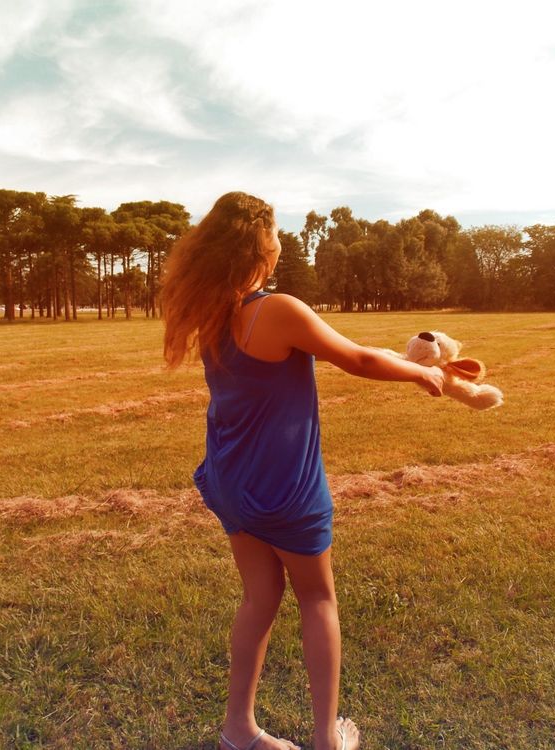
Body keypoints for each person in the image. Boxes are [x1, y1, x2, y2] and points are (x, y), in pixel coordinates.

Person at [162, 192, 444, 750]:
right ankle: (326, 740)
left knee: (258, 598)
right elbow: (358, 358)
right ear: (263, 249)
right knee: (316, 598)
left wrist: (404, 362)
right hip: (284, 488)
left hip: (230, 481)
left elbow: (352, 349)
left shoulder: (213, 318)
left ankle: (238, 730)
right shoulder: (277, 309)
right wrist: (417, 374)